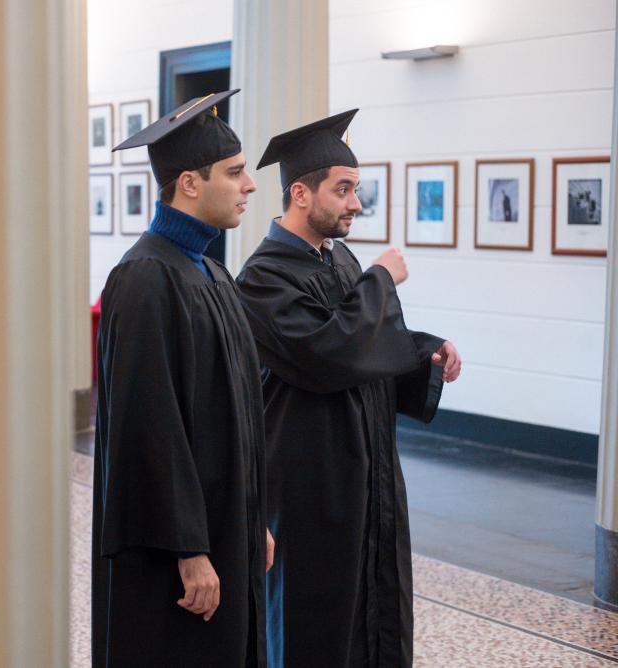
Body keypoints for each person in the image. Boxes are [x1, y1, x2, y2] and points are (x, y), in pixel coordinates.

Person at [235, 109, 462, 668]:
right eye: (344, 190)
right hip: (313, 490)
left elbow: (368, 340)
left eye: (355, 190)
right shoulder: (263, 278)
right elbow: (327, 354)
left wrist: (420, 351)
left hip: (369, 477)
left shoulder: (338, 258)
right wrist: (381, 279)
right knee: (316, 629)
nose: (356, 204)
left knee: (375, 618)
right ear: (300, 193)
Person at [92, 89, 273, 667]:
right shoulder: (147, 277)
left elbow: (239, 410)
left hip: (226, 526)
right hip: (175, 552)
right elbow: (150, 428)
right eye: (236, 173)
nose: (249, 186)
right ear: (190, 183)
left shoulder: (211, 273)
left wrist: (252, 521)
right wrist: (189, 549)